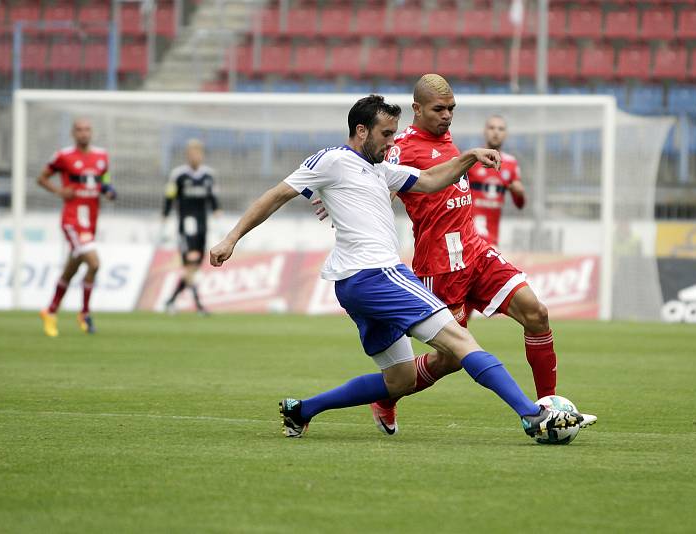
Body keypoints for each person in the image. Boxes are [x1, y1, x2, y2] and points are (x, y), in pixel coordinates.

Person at [209, 95, 583, 439]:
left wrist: (469, 156)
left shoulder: (380, 171)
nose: (392, 143)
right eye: (386, 134)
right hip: (378, 274)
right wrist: (231, 239)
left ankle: (302, 410)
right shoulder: (332, 160)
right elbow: (277, 194)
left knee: (400, 379)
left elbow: (434, 178)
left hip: (353, 286)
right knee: (460, 342)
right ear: (361, 131)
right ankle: (530, 414)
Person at [369, 74, 597, 434]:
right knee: (450, 360)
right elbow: (380, 190)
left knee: (536, 313)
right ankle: (386, 398)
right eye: (438, 109)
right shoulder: (402, 147)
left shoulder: (444, 136)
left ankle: (550, 409)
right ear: (416, 109)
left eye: (451, 109)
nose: (447, 116)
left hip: (475, 249)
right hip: (440, 265)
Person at [38, 118, 116, 336]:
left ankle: (50, 311)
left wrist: (108, 191)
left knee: (70, 270)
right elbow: (42, 178)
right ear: (73, 133)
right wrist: (59, 191)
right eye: (80, 130)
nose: (84, 133)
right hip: (72, 220)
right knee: (94, 262)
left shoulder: (102, 156)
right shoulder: (63, 156)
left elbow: (104, 181)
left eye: (87, 129)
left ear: (92, 132)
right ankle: (85, 313)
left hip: (90, 221)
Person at [161, 139, 220, 315]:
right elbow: (169, 196)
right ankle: (199, 305)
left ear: (202, 155)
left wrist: (217, 210)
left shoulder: (209, 175)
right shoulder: (178, 175)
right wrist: (164, 216)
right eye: (192, 153)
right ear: (187, 155)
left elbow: (213, 197)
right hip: (185, 226)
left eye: (198, 153)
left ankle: (171, 301)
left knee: (194, 266)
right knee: (190, 264)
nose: (195, 156)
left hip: (202, 226)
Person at [468, 115, 527, 248]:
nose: (496, 132)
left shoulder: (511, 163)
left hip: (493, 239)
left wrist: (520, 193)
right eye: (492, 128)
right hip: (469, 236)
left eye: (500, 129)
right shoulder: (471, 159)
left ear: (505, 134)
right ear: (484, 131)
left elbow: (520, 204)